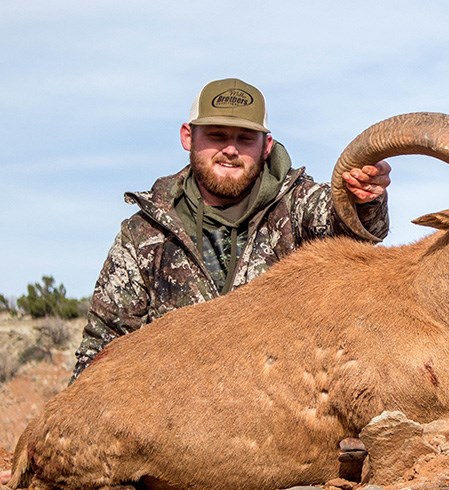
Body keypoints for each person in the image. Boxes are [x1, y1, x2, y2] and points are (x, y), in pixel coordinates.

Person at [71, 78, 392, 383]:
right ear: (187, 136)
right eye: (216, 135)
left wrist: (361, 198)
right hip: (179, 414)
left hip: (288, 408)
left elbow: (351, 228)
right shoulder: (143, 234)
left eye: (244, 138)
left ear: (266, 145)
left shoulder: (296, 205)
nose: (230, 149)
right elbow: (104, 344)